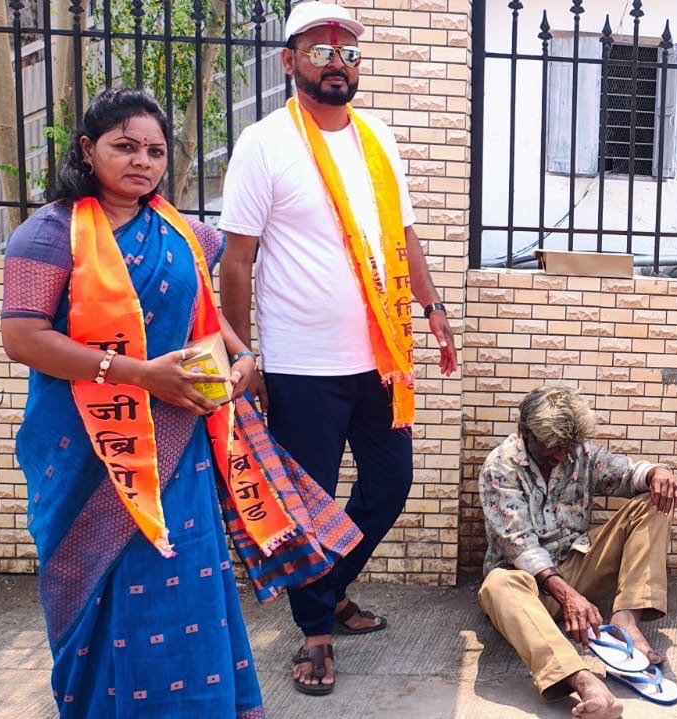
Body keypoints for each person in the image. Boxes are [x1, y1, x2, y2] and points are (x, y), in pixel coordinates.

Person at [1, 87, 361, 717]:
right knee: (97, 592)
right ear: (87, 150)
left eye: (155, 151)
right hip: (87, 447)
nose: (142, 161)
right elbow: (24, 338)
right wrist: (139, 375)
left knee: (184, 589)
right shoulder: (49, 234)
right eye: (125, 146)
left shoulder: (185, 234)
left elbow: (204, 321)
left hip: (177, 446)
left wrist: (243, 358)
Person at [218, 0, 458, 696]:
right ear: (289, 61)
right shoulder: (264, 143)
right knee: (308, 500)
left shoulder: (377, 137)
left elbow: (402, 237)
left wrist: (434, 306)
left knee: (390, 484)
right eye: (321, 51)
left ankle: (326, 585)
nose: (337, 64)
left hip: (380, 358)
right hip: (301, 366)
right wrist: (244, 356)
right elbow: (237, 261)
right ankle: (317, 629)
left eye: (348, 53)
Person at [477, 387, 677, 719]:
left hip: (578, 566)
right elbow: (519, 545)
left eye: (566, 447)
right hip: (530, 587)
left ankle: (627, 621)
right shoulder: (500, 468)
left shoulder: (579, 453)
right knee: (496, 586)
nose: (560, 456)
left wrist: (657, 472)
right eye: (551, 447)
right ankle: (584, 681)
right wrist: (568, 597)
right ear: (526, 433)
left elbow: (626, 473)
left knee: (654, 504)